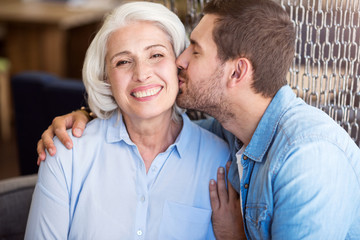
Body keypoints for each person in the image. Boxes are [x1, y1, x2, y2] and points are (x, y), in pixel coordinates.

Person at [38, 0, 360, 239]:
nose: (180, 61)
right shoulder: (234, 133)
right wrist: (89, 114)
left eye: (194, 50)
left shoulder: (307, 160)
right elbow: (150, 123)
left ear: (236, 72)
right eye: (123, 62)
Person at [25, 2, 234, 239]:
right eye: (123, 61)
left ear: (180, 64)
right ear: (106, 79)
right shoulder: (68, 155)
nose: (142, 73)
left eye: (156, 55)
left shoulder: (220, 161)